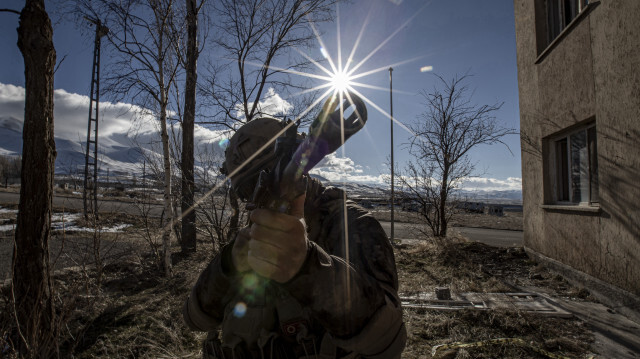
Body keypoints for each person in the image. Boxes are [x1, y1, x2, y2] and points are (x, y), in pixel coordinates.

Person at [183, 117, 406, 358]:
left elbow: (388, 340)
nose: (252, 199)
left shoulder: (346, 223)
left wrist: (307, 268)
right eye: (245, 192)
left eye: (258, 185)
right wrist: (228, 265)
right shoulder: (253, 231)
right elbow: (195, 319)